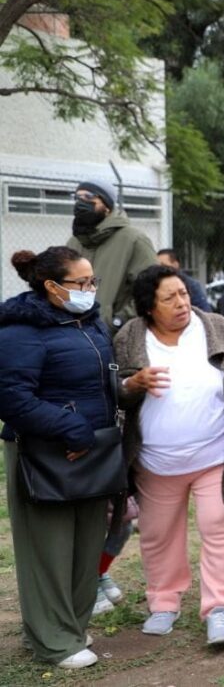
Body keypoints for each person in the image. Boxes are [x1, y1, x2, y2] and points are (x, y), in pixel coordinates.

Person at [113, 265, 224, 644]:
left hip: (213, 455)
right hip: (156, 462)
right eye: (169, 298)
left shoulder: (215, 325)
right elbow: (114, 387)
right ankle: (163, 602)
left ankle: (220, 609)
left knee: (217, 526)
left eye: (184, 294)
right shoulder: (130, 335)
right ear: (148, 308)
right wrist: (132, 384)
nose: (181, 303)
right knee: (158, 535)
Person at [0, 247, 117, 669]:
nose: (89, 290)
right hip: (43, 454)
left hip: (91, 451)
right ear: (51, 286)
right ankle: (52, 641)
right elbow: (11, 397)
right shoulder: (19, 330)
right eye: (81, 283)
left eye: (92, 282)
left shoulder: (89, 322)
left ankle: (71, 627)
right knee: (48, 550)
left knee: (86, 546)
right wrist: (69, 426)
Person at [66, 178, 157, 333]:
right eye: (77, 198)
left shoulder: (133, 240)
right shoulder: (73, 243)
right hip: (75, 336)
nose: (81, 203)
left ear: (107, 206)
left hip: (115, 337)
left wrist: (117, 321)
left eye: (88, 197)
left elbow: (154, 289)